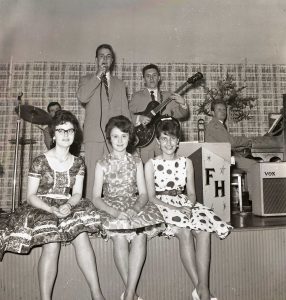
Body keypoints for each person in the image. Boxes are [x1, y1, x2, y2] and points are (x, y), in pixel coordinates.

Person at [0, 110, 105, 300]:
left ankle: (97, 294)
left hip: (67, 203)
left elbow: (77, 194)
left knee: (81, 236)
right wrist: (51, 209)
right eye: (61, 130)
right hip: (42, 206)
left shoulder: (79, 163)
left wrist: (69, 206)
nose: (66, 135)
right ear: (53, 134)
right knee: (52, 242)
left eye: (70, 131)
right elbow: (31, 196)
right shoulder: (40, 161)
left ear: (75, 134)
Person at [145, 117, 232, 300]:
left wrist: (187, 206)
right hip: (162, 205)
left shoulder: (186, 162)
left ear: (178, 141)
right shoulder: (151, 164)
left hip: (183, 203)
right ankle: (203, 291)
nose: (169, 143)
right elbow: (151, 197)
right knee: (184, 231)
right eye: (164, 138)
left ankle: (201, 288)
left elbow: (192, 193)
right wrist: (174, 209)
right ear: (158, 141)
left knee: (203, 230)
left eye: (173, 138)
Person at [92, 115, 164, 300]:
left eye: (124, 136)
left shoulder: (137, 162)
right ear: (109, 138)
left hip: (134, 205)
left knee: (140, 236)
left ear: (130, 138)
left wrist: (134, 209)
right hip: (111, 206)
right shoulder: (101, 164)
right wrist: (116, 213)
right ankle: (132, 293)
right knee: (120, 238)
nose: (120, 141)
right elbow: (96, 198)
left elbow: (144, 193)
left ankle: (129, 294)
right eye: (115, 136)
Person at [77, 44, 131, 199]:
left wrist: (128, 133)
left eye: (108, 56)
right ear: (96, 59)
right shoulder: (86, 79)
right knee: (92, 179)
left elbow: (125, 111)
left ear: (112, 60)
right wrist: (98, 76)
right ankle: (89, 215)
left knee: (115, 178)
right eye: (101, 56)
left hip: (115, 139)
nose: (105, 59)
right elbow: (82, 97)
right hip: (94, 137)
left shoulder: (120, 84)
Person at [129, 63, 189, 163]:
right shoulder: (137, 96)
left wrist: (183, 104)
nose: (151, 78)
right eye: (148, 76)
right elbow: (127, 115)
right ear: (144, 79)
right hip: (145, 142)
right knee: (146, 173)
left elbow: (181, 114)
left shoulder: (168, 96)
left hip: (165, 143)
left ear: (159, 77)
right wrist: (139, 118)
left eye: (154, 75)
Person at [204, 100, 258, 200]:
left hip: (222, 157)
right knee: (254, 165)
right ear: (212, 112)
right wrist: (246, 140)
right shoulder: (215, 125)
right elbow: (230, 142)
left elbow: (226, 143)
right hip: (221, 159)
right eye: (219, 109)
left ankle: (248, 197)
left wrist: (241, 148)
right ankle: (252, 199)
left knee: (251, 162)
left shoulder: (219, 125)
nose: (223, 112)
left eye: (224, 109)